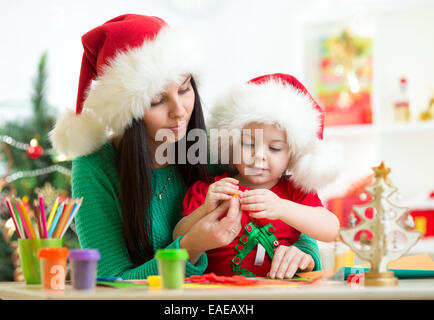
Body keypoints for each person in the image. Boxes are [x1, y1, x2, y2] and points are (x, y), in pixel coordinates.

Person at [50, 14, 322, 279]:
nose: (180, 111)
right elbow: (112, 279)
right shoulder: (95, 166)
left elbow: (285, 189)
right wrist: (190, 247)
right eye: (157, 100)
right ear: (126, 112)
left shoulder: (209, 143)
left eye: (184, 88)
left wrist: (303, 251)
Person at [173, 73, 343, 279]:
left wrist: (281, 208)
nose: (259, 155)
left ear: (292, 156)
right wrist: (204, 209)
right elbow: (178, 235)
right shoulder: (214, 189)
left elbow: (331, 228)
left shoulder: (294, 190)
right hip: (220, 293)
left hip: (278, 292)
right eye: (249, 144)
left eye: (274, 148)